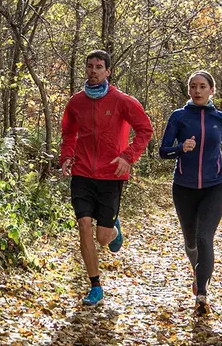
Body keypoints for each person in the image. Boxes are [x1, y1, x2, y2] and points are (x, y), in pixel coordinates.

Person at [56, 50, 153, 306]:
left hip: (111, 174)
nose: (94, 71)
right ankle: (95, 286)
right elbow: (69, 133)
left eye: (99, 66)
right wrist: (66, 157)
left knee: (103, 238)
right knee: (83, 225)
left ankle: (114, 227)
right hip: (82, 173)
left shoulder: (122, 101)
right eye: (90, 66)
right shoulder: (76, 102)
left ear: (108, 71)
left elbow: (145, 130)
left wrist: (128, 157)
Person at [158, 70, 222, 312]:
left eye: (202, 86)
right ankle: (198, 272)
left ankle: (202, 292)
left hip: (214, 186)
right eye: (193, 86)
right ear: (188, 90)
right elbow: (163, 151)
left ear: (211, 90)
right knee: (191, 241)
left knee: (205, 238)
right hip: (184, 187)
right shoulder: (179, 117)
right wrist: (180, 148)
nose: (197, 90)